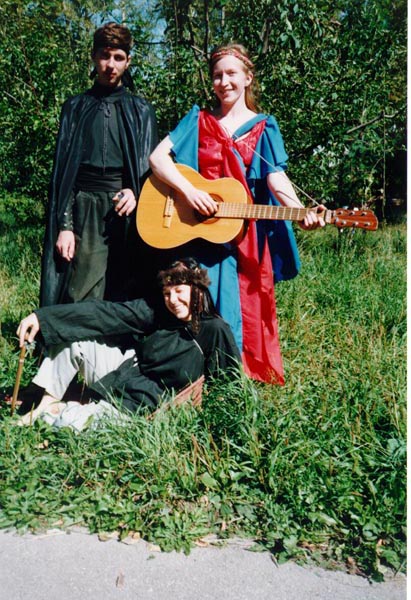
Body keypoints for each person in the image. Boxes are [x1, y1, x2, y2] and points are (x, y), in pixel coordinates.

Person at [149, 42, 325, 386]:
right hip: (200, 231)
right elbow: (157, 159)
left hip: (245, 236)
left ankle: (238, 380)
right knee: (198, 300)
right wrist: (190, 192)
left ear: (248, 78)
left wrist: (299, 211)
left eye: (231, 73)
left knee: (247, 302)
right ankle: (195, 378)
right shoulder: (198, 120)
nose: (223, 82)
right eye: (217, 75)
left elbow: (276, 178)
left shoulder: (263, 126)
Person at [16, 259, 241, 429]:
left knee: (72, 423)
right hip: (126, 374)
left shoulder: (213, 330)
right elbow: (105, 313)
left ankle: (64, 410)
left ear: (196, 289)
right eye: (167, 293)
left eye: (179, 291)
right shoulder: (157, 312)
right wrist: (42, 318)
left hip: (149, 404)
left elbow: (229, 382)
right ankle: (45, 403)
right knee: (75, 341)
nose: (172, 300)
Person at [40, 22, 158, 307]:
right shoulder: (75, 107)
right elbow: (64, 175)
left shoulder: (141, 110)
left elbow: (152, 170)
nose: (110, 65)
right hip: (85, 207)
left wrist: (136, 192)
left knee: (126, 289)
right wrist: (65, 226)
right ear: (93, 56)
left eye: (118, 57)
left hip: (127, 210)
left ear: (128, 61)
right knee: (82, 291)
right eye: (105, 56)